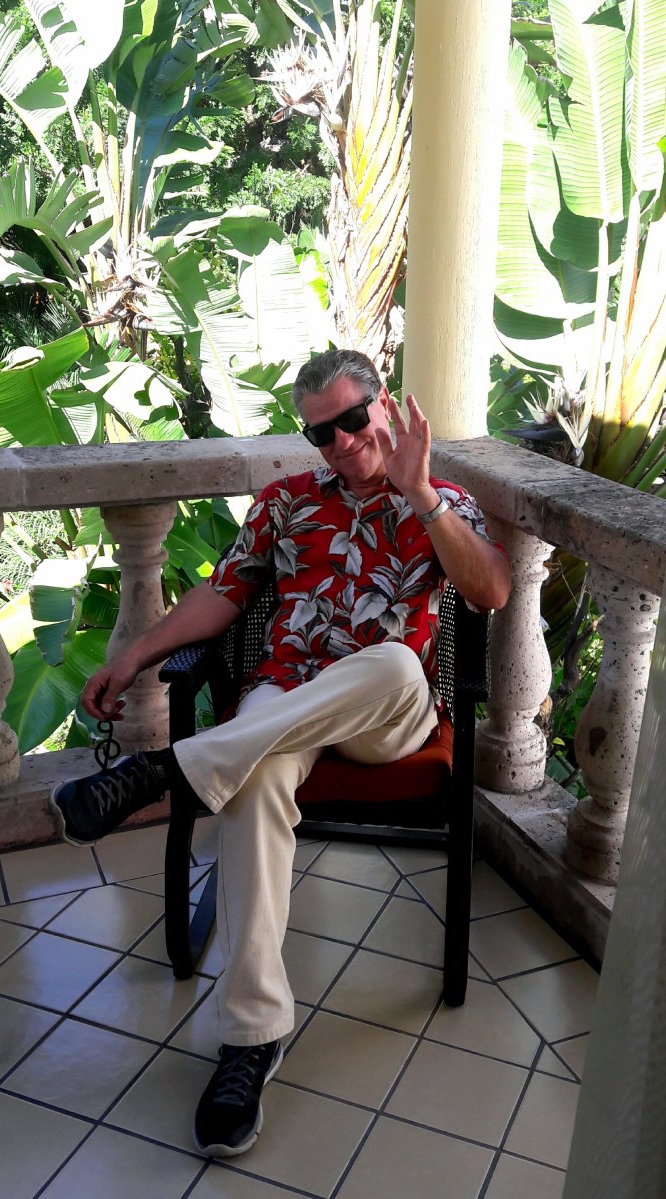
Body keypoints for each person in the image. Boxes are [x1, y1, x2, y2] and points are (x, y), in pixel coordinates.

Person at [51, 349, 511, 1159]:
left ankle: (169, 769)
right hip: (284, 696)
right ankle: (251, 1038)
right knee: (257, 776)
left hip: (385, 708)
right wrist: (136, 655)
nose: (340, 441)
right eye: (320, 432)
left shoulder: (441, 498)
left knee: (393, 663)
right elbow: (222, 592)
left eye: (351, 419)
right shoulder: (286, 502)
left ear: (383, 407)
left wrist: (422, 495)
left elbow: (491, 591)